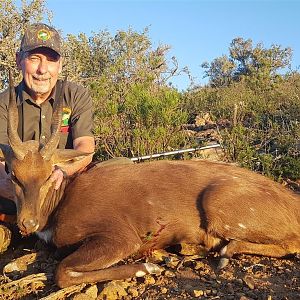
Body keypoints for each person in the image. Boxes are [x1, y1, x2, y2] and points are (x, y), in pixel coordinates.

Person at [0, 23, 95, 249]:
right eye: (34, 58)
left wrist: (63, 171)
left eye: (51, 60)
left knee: (121, 167)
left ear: (59, 65)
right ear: (18, 60)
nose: (43, 70)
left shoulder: (75, 95)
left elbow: (85, 149)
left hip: (63, 188)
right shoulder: (4, 102)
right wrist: (12, 182)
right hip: (18, 192)